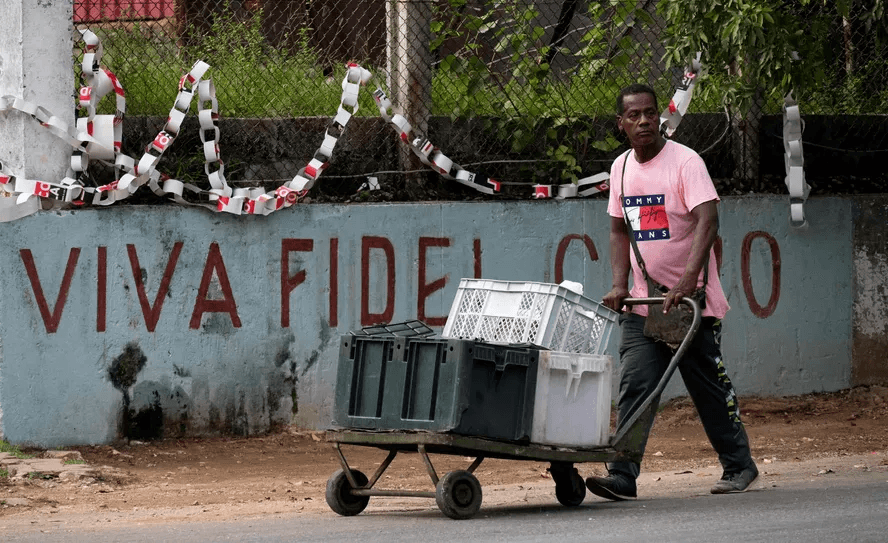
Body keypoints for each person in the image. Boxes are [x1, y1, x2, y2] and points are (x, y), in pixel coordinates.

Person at [585, 83, 758, 500]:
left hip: (688, 303)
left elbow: (707, 221)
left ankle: (739, 466)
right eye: (634, 115)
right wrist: (619, 284)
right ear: (621, 124)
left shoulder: (686, 163)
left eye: (650, 113)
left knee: (707, 387)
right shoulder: (621, 169)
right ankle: (623, 475)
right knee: (636, 385)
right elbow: (617, 229)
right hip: (644, 303)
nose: (644, 121)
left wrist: (687, 281)